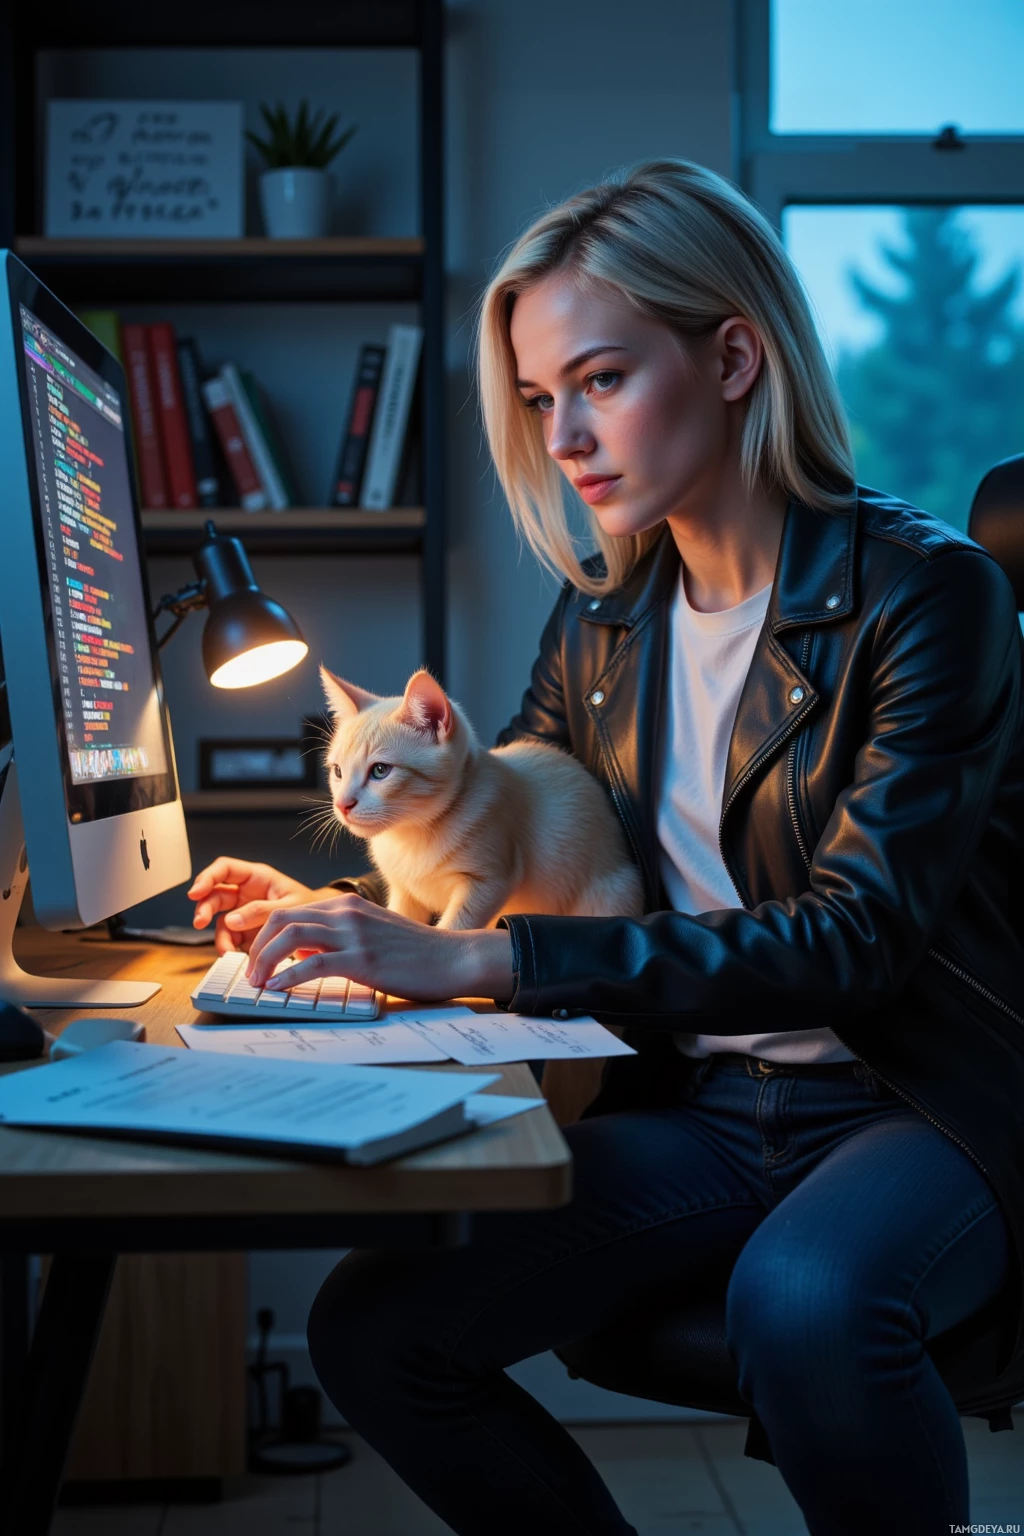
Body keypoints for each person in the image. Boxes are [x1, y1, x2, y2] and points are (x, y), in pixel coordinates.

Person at [187, 158, 1024, 1534]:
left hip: (911, 1102)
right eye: (536, 399)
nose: (563, 437)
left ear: (736, 356)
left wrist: (486, 960)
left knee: (807, 1303)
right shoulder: (604, 623)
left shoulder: (930, 601)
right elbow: (489, 837)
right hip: (697, 1108)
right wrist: (329, 901)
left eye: (600, 380)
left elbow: (855, 944)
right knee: (377, 1330)